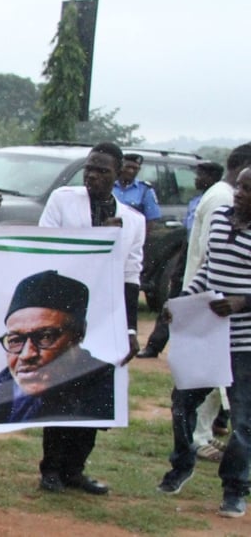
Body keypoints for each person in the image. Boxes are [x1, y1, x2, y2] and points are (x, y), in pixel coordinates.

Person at [33, 141, 144, 496]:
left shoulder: (134, 221)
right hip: (64, 311)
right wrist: (96, 239)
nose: (93, 176)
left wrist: (129, 328)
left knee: (95, 391)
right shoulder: (63, 201)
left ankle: (75, 469)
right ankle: (50, 468)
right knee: (61, 387)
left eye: (102, 170)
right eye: (89, 168)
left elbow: (131, 276)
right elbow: (46, 249)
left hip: (105, 316)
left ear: (120, 174)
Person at [156, 165, 251, 519]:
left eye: (247, 189)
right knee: (182, 403)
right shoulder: (222, 219)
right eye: (238, 186)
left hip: (244, 343)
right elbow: (207, 271)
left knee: (243, 422)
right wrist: (180, 304)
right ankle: (181, 465)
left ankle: (234, 489)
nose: (238, 193)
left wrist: (243, 302)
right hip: (207, 335)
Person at [0, 270, 114, 425]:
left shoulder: (104, 382)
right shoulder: (2, 384)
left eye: (45, 337)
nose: (27, 354)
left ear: (78, 334)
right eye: (15, 340)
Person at [138, 160, 227, 359]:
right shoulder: (196, 200)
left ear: (212, 178)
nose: (196, 179)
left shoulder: (216, 200)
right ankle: (155, 345)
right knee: (174, 297)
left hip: (199, 257)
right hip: (186, 250)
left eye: (201, 175)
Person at [113, 153, 162, 230]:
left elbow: (151, 220)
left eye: (135, 168)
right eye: (128, 167)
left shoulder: (145, 190)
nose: (131, 171)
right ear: (120, 167)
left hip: (132, 235)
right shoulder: (109, 186)